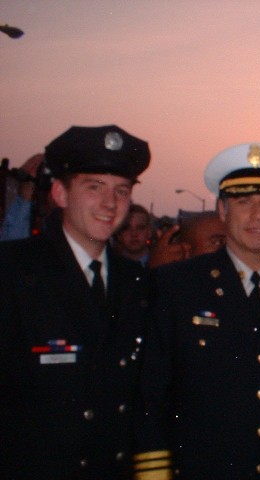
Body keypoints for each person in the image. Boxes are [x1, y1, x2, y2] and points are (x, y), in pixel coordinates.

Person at [134, 143, 260, 480]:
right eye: (244, 203)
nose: (259, 216)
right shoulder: (177, 285)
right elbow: (152, 395)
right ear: (223, 212)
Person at [0, 125, 151, 479]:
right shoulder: (11, 271)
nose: (109, 203)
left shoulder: (138, 283)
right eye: (93, 187)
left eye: (121, 191)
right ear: (60, 193)